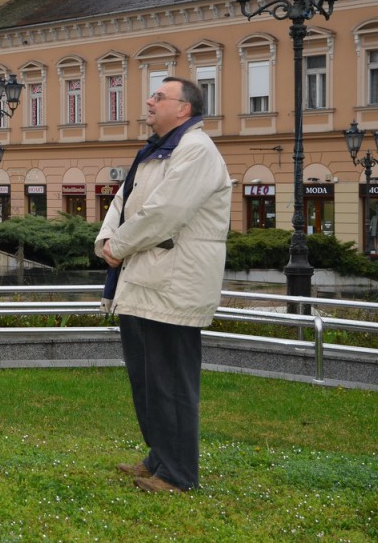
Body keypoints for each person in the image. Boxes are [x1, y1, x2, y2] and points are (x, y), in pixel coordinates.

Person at [95, 76, 231, 493]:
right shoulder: (156, 151)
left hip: (174, 285)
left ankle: (177, 474)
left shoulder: (196, 150)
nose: (149, 102)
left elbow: (164, 212)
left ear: (184, 108)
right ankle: (159, 458)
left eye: (159, 96)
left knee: (171, 382)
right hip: (144, 281)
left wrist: (118, 246)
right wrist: (106, 240)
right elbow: (123, 201)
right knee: (148, 381)